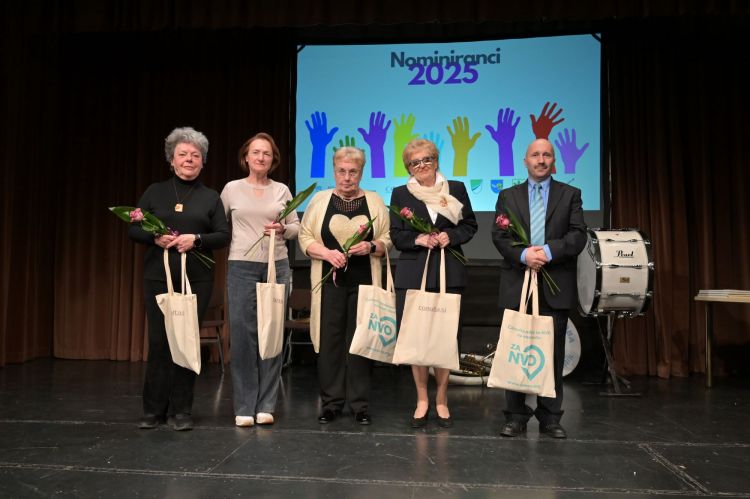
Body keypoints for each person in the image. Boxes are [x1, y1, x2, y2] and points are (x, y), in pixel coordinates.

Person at [129, 126, 230, 431]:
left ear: (203, 161)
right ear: (171, 160)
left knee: (186, 342)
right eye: (183, 154)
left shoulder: (210, 197)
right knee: (159, 342)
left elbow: (222, 235)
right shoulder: (154, 191)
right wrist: (154, 237)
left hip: (196, 280)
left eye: (195, 155)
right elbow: (133, 228)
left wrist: (196, 239)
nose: (189, 159)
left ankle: (182, 410)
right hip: (158, 278)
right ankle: (153, 410)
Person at [491, 138, 587, 439]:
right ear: (526, 161)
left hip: (555, 284)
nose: (541, 160)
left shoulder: (570, 194)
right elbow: (499, 235)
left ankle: (550, 417)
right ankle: (515, 416)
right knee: (516, 351)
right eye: (535, 155)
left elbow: (578, 235)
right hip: (518, 282)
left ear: (554, 161)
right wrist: (523, 255)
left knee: (553, 354)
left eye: (547, 155)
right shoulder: (508, 196)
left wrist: (547, 251)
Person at [298, 146, 391, 425]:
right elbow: (304, 237)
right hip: (329, 283)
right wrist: (327, 253)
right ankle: (331, 403)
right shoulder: (320, 200)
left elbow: (387, 239)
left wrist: (371, 246)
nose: (347, 177)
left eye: (353, 172)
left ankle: (360, 405)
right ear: (334, 171)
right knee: (331, 343)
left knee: (360, 343)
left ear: (361, 173)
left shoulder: (374, 201)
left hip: (365, 283)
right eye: (342, 171)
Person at [389, 138, 478, 428]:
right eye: (415, 162)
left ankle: (441, 399)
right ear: (408, 168)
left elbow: (470, 225)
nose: (422, 166)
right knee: (417, 340)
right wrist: (419, 238)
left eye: (427, 159)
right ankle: (421, 400)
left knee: (445, 338)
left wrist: (450, 236)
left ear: (436, 161)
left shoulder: (456, 188)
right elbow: (396, 235)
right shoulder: (400, 193)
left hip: (449, 271)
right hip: (413, 274)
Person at [220, 132, 300, 428]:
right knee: (243, 335)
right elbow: (218, 225)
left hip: (276, 266)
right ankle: (244, 405)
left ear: (273, 159)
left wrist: (282, 230)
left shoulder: (281, 190)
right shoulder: (232, 189)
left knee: (272, 333)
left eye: (266, 153)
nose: (261, 157)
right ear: (246, 157)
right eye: (256, 152)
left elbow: (296, 228)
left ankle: (266, 405)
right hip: (241, 265)